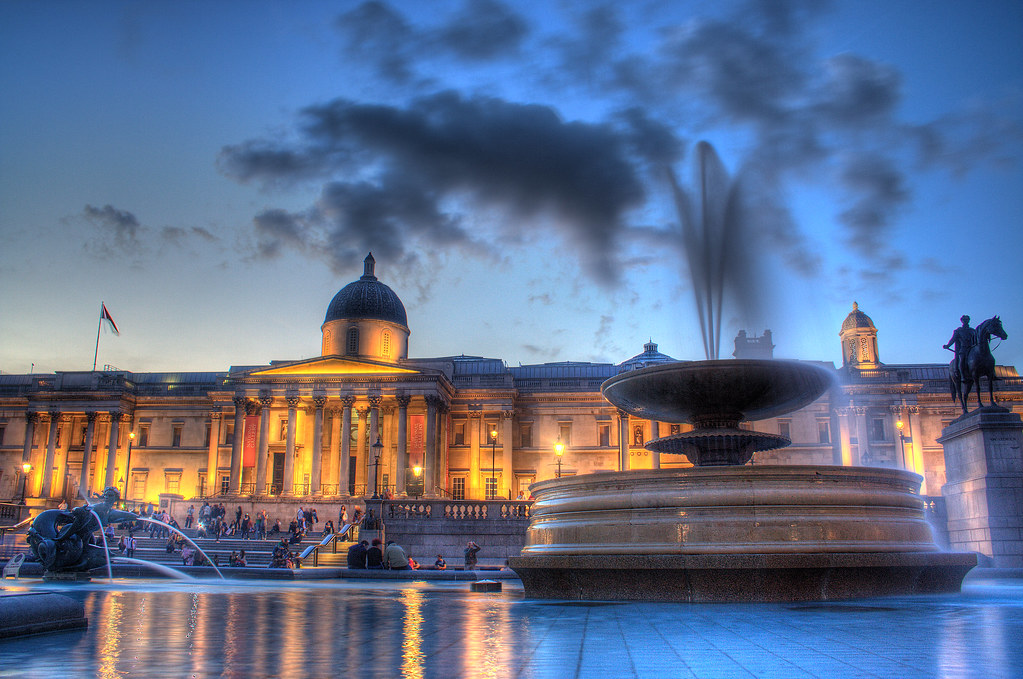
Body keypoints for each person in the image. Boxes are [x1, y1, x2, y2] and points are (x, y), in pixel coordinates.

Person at [945, 314, 978, 381]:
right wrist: (948, 345)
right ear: (962, 321)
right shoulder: (958, 331)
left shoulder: (973, 331)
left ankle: (991, 374)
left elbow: (977, 340)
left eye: (967, 320)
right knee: (962, 359)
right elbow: (953, 339)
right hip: (964, 348)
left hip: (972, 348)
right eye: (964, 320)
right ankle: (963, 376)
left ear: (969, 320)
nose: (966, 321)